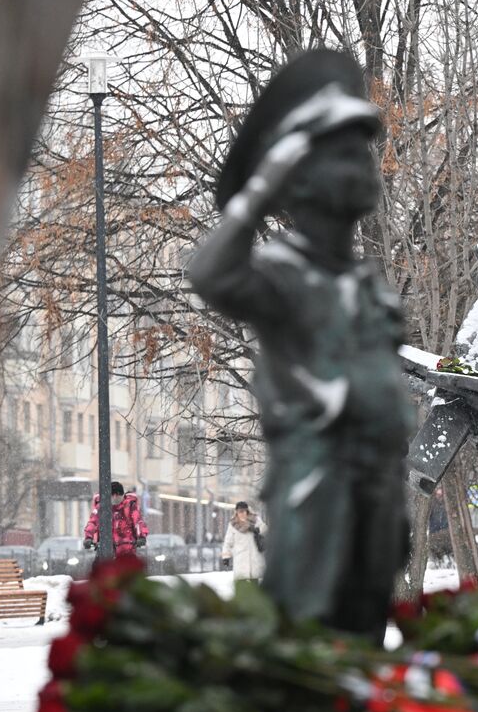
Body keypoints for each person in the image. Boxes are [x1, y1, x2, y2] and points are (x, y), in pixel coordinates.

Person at [187, 48, 412, 640]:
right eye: (344, 156)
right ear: (300, 177)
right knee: (313, 648)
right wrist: (261, 190)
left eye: (365, 154)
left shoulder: (365, 282)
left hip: (378, 491)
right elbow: (209, 274)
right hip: (320, 495)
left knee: (362, 641)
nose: (365, 169)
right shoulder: (281, 273)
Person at [82, 481, 148, 557]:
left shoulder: (129, 506)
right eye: (113, 496)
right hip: (107, 548)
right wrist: (88, 537)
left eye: (119, 496)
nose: (116, 498)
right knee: (99, 566)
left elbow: (138, 522)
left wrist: (141, 536)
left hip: (125, 549)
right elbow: (93, 522)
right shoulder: (102, 507)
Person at [220, 501, 268, 581]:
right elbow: (228, 542)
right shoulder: (232, 524)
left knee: (254, 582)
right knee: (241, 583)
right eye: (240, 511)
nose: (242, 513)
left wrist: (256, 529)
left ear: (247, 511)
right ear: (236, 512)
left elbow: (266, 530)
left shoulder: (255, 520)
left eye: (244, 511)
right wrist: (226, 557)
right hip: (240, 558)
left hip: (255, 557)